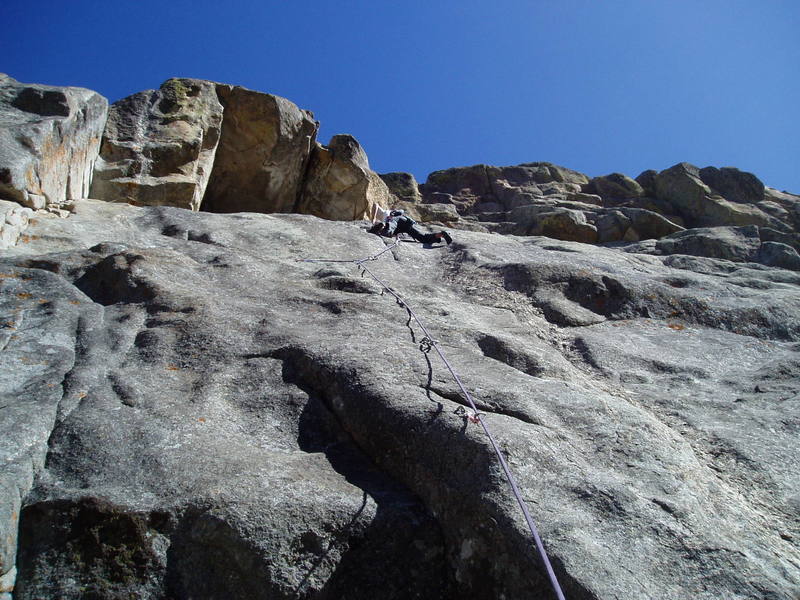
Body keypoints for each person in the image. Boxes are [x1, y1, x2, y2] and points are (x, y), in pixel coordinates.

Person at [369, 209, 452, 245]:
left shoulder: (389, 213)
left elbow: (401, 211)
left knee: (392, 224)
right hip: (407, 227)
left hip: (401, 220)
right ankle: (441, 234)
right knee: (423, 238)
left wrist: (393, 214)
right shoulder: (388, 217)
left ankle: (384, 228)